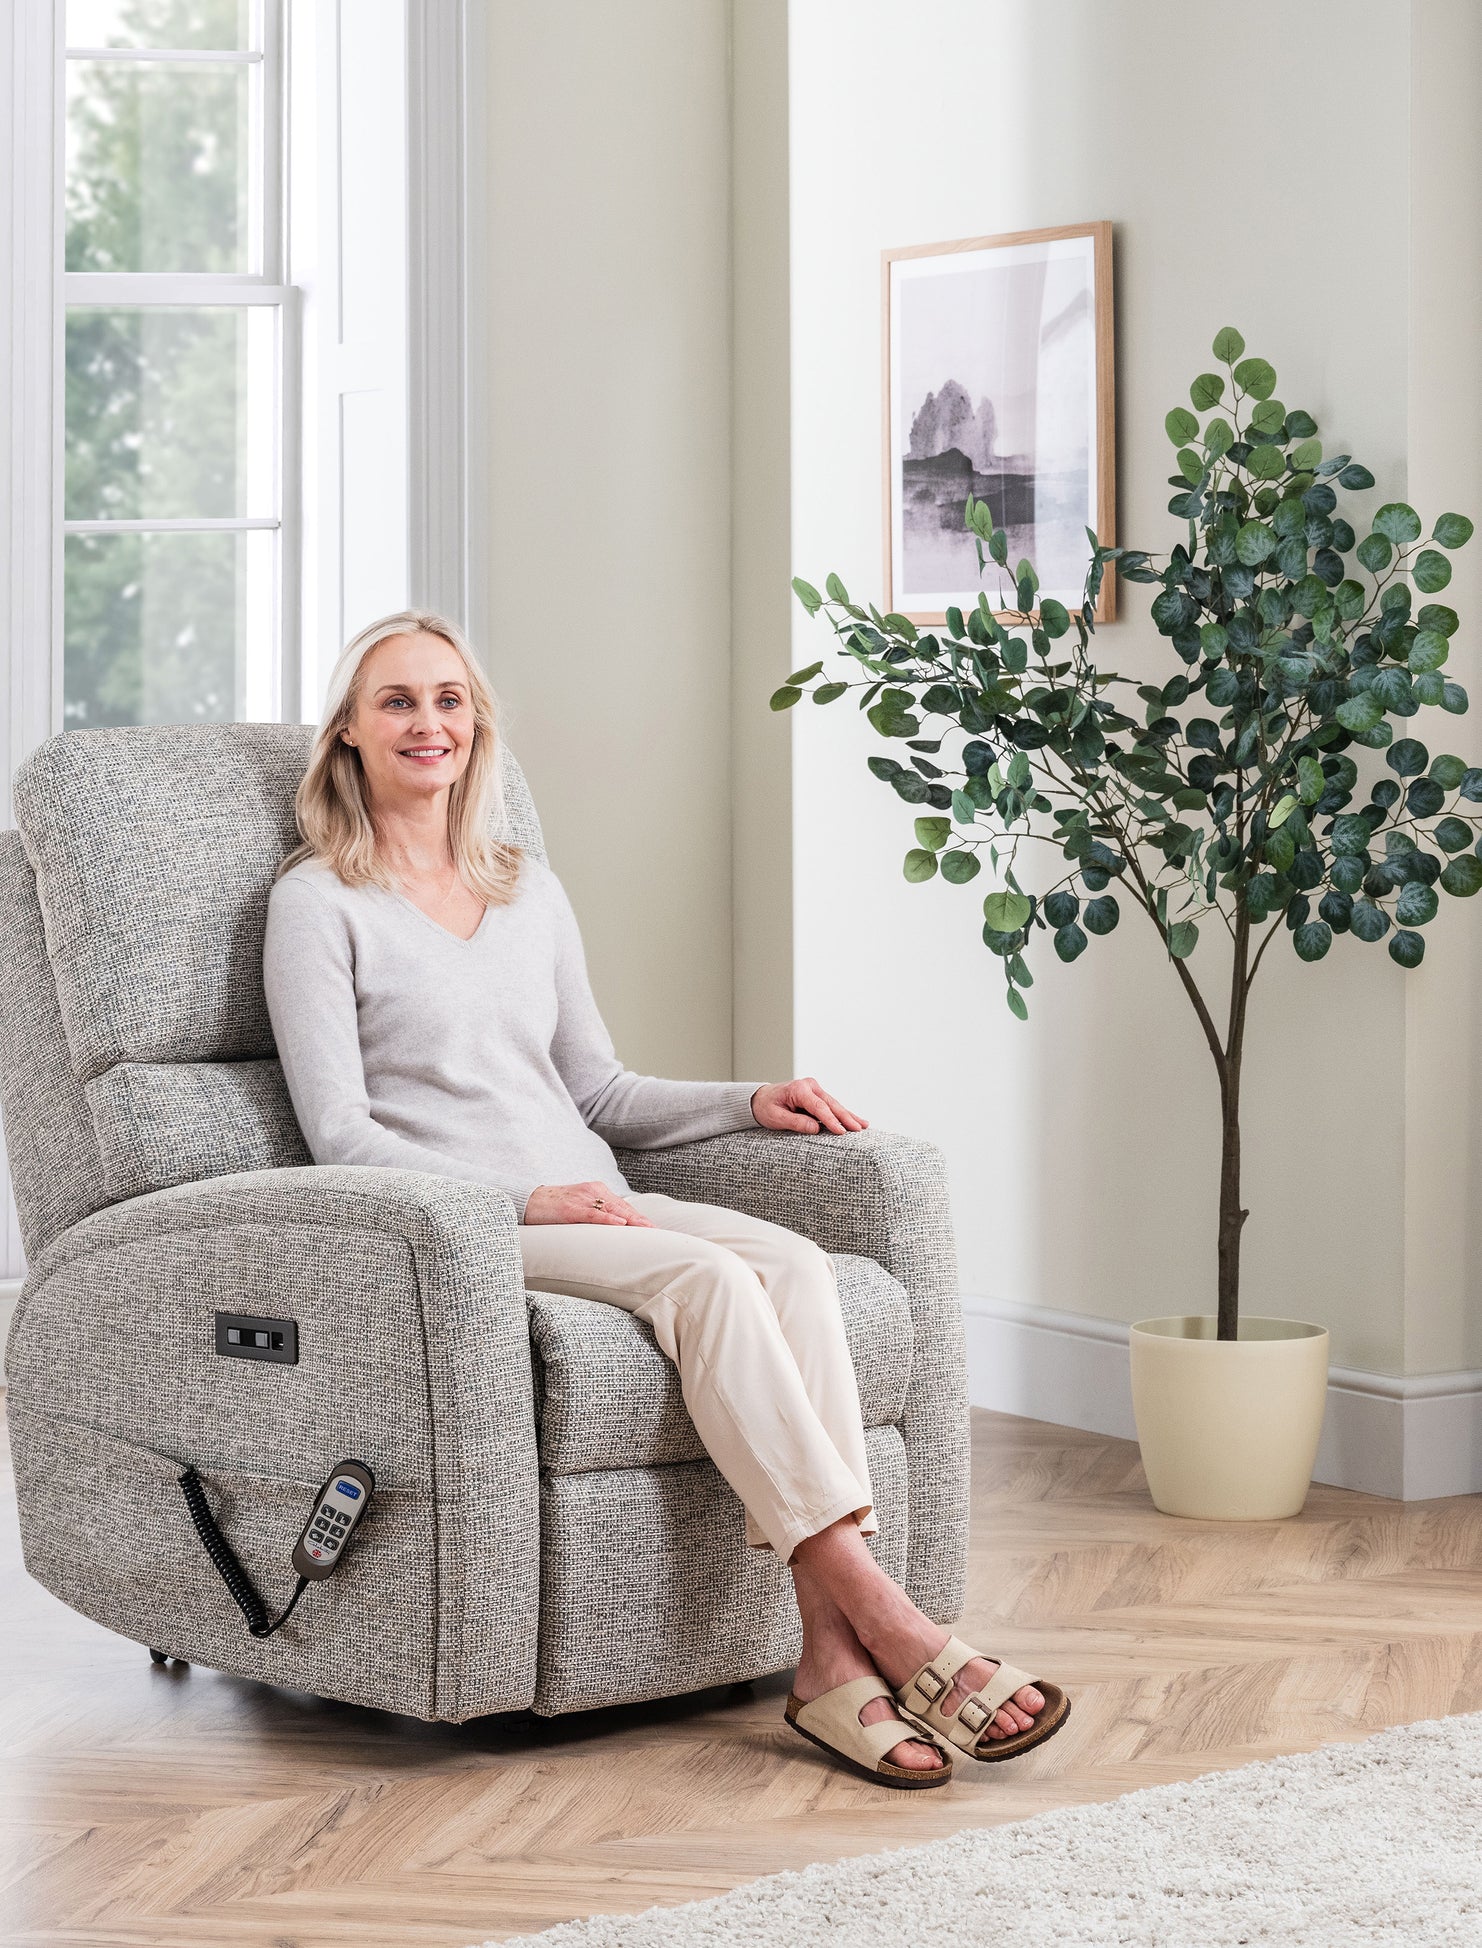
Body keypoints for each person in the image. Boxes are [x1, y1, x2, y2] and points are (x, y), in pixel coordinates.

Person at [262, 609, 1068, 1787]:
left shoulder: (523, 887)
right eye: (395, 700)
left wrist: (753, 1099)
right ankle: (889, 1622)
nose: (426, 722)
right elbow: (339, 1136)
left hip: (587, 1192)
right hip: (468, 1226)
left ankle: (828, 1669)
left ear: (475, 723)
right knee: (702, 1276)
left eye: (447, 698)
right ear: (346, 731)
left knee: (788, 1262)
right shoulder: (316, 902)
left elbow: (600, 1087)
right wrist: (526, 1195)